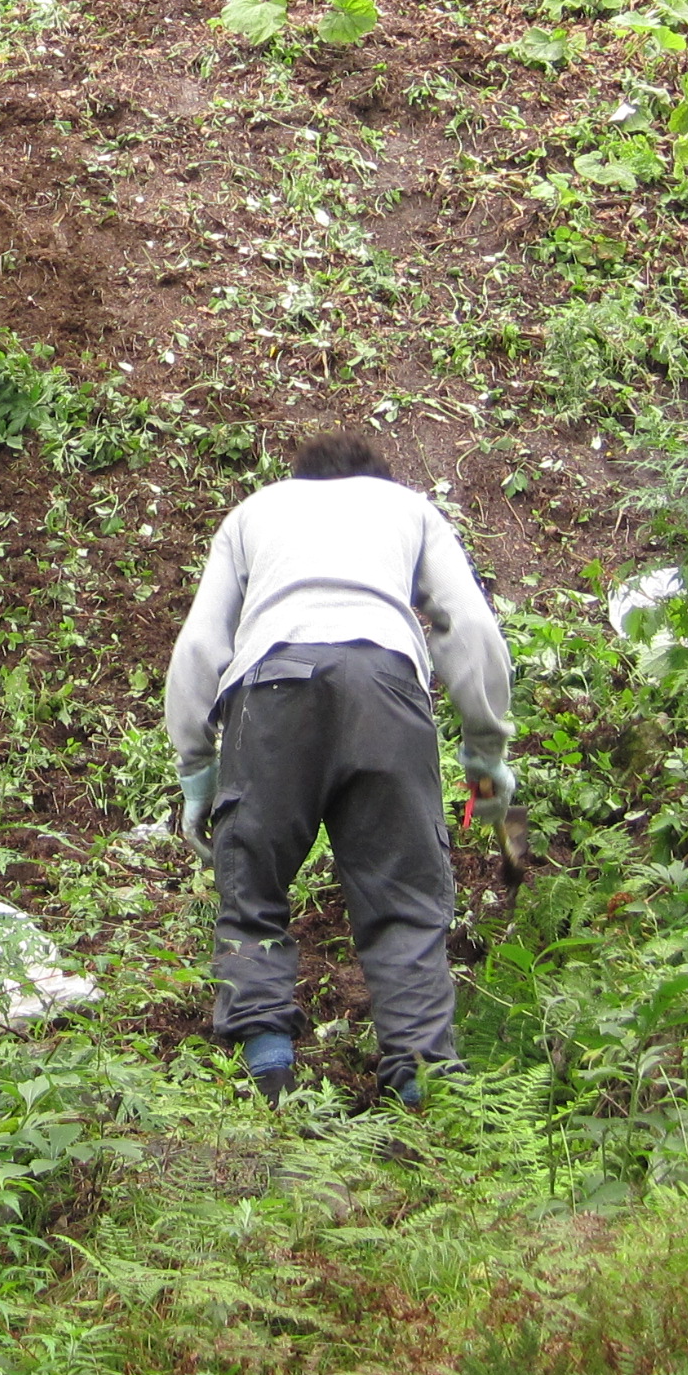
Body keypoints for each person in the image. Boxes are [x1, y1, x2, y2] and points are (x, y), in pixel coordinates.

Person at [161, 432, 516, 1108]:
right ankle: (421, 1084)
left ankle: (268, 1070)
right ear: (375, 478)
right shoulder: (408, 509)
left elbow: (201, 644)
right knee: (404, 902)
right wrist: (484, 752)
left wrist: (197, 769)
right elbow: (468, 626)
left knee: (254, 886)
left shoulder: (255, 512)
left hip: (272, 689)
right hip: (387, 690)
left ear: (303, 480)